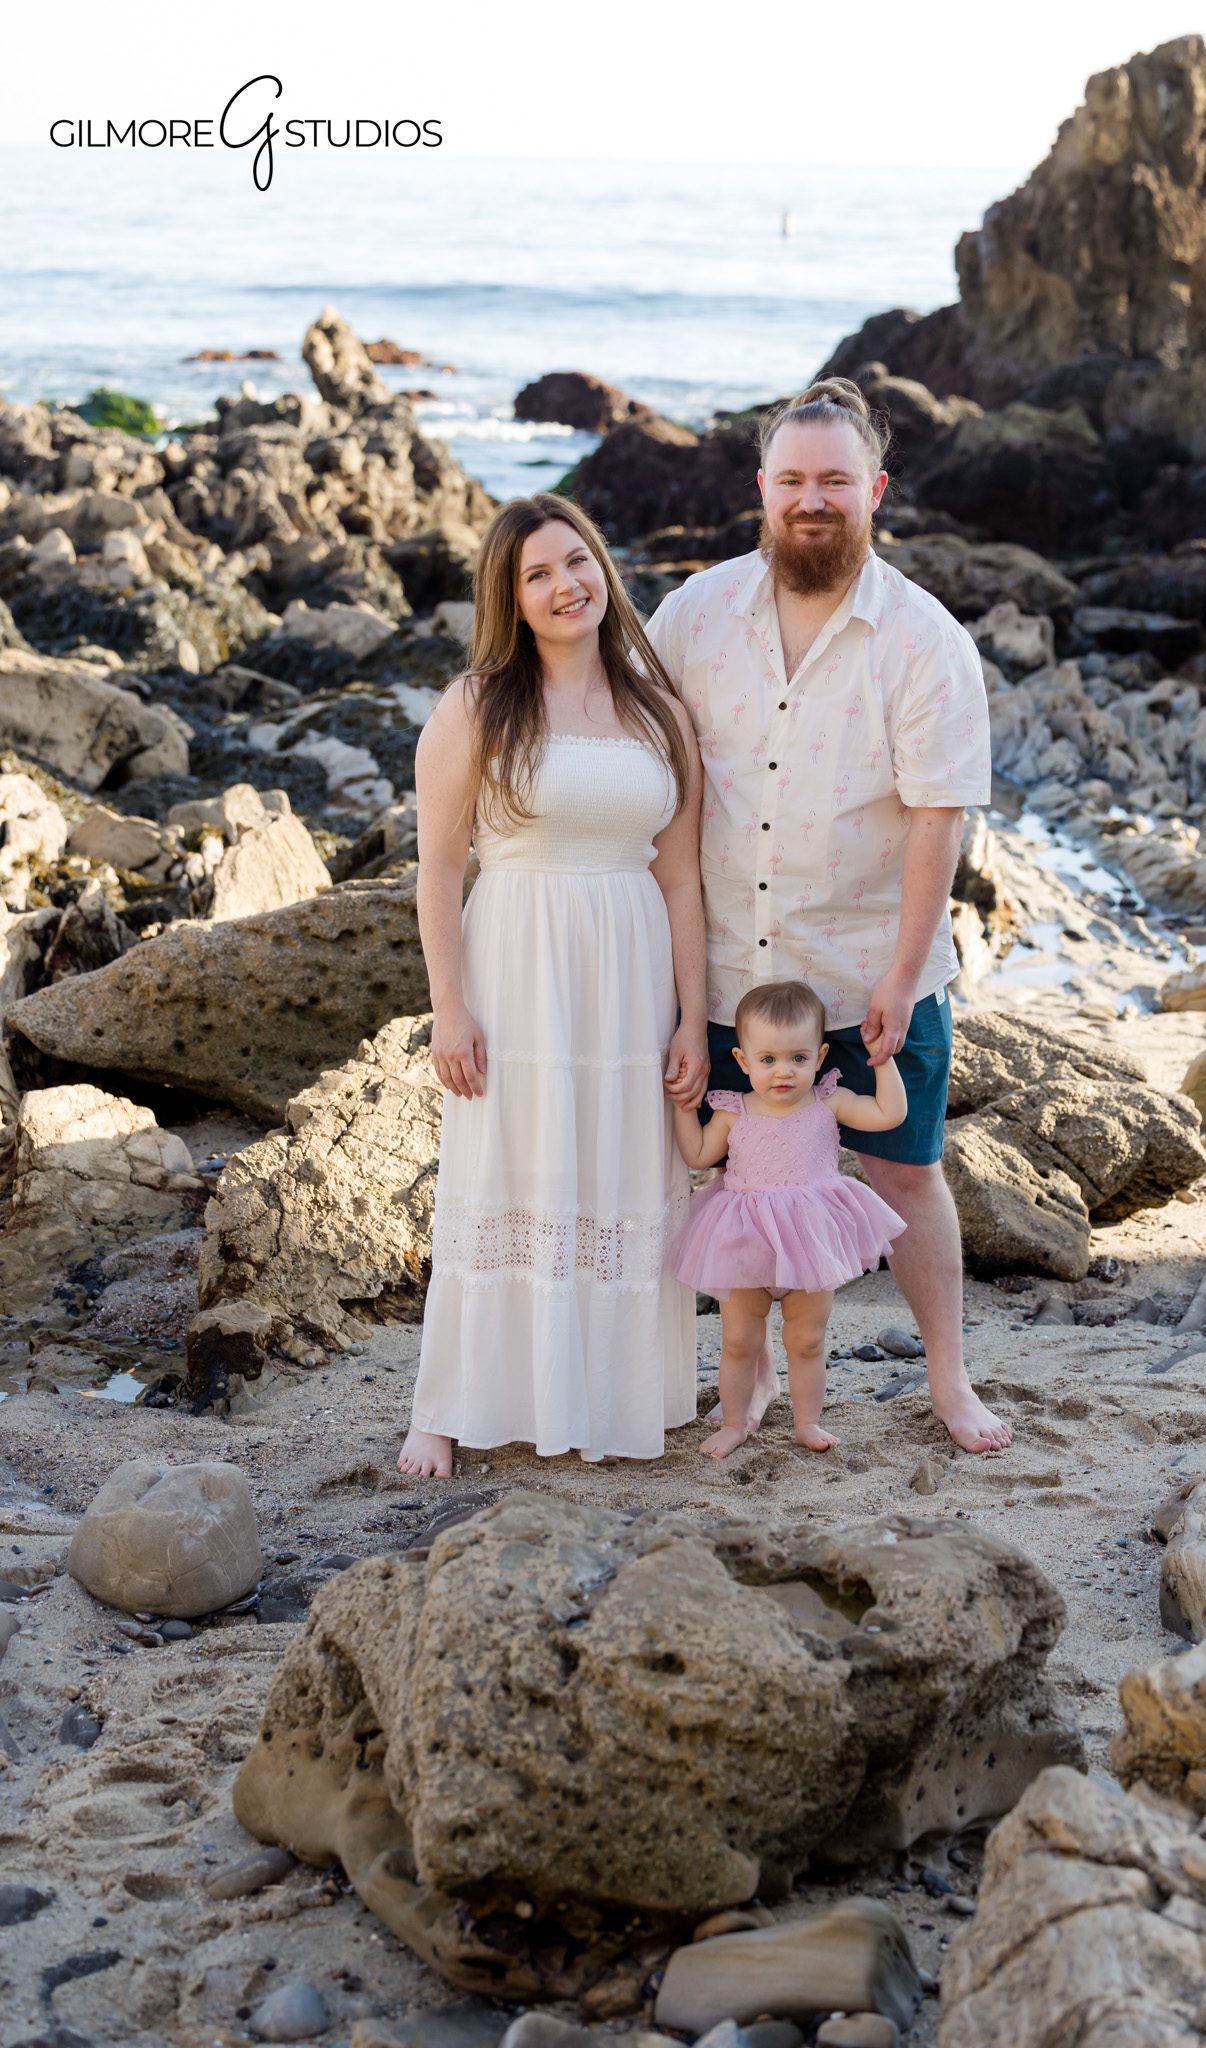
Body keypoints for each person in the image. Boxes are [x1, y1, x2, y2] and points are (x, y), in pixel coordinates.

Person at [647, 376, 1013, 1455]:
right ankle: (742, 1382)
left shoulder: (923, 638)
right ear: (762, 488)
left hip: (866, 968)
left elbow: (937, 819)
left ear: (876, 490)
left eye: (836, 481)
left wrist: (901, 976)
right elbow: (645, 771)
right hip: (724, 974)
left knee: (907, 1170)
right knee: (726, 1178)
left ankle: (948, 1380)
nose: (814, 498)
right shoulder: (693, 616)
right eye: (794, 478)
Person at [398, 493, 706, 1476]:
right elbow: (440, 867)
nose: (566, 584)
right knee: (501, 1170)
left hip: (629, 962)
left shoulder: (659, 707)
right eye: (538, 573)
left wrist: (692, 1016)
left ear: (604, 568)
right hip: (516, 961)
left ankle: (615, 1396)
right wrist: (450, 1006)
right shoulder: (478, 704)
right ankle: (444, 1408)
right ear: (512, 597)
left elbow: (681, 875)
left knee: (618, 1172)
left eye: (577, 561)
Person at [669, 979, 906, 1457]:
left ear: (819, 1058)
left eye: (798, 1059)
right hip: (746, 1238)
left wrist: (884, 1061)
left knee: (807, 1339)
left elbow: (888, 1114)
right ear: (743, 1061)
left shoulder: (827, 1102)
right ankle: (735, 1423)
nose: (784, 1072)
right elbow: (696, 1155)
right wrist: (681, 1107)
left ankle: (808, 1422)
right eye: (768, 1059)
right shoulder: (734, 1111)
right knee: (739, 1340)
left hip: (810, 1240)